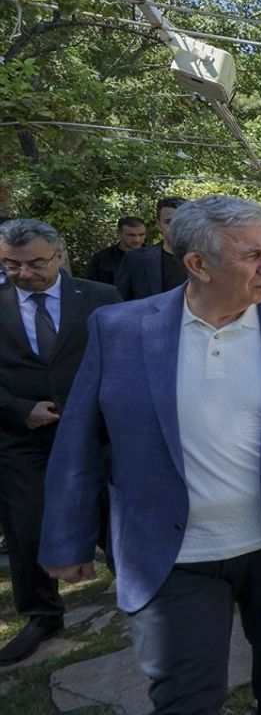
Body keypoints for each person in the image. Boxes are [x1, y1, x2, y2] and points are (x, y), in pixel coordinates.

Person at [39, 195, 261, 714]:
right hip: (173, 555)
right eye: (251, 255)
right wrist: (66, 537)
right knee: (186, 697)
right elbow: (79, 439)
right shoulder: (122, 331)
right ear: (197, 265)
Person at [0, 219, 120, 666]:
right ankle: (42, 615)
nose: (23, 273)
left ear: (59, 255)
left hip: (95, 434)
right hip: (22, 438)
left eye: (35, 263)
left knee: (114, 518)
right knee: (27, 527)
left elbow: (123, 359)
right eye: (11, 265)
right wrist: (17, 409)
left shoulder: (98, 298)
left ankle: (136, 589)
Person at [116, 197, 189, 300]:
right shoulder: (136, 260)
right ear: (159, 224)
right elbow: (119, 303)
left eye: (181, 221)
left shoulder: (208, 259)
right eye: (168, 221)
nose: (175, 226)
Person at [85, 216, 147, 286]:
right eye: (131, 235)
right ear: (119, 233)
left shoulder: (155, 256)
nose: (137, 240)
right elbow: (90, 286)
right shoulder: (101, 258)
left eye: (141, 235)